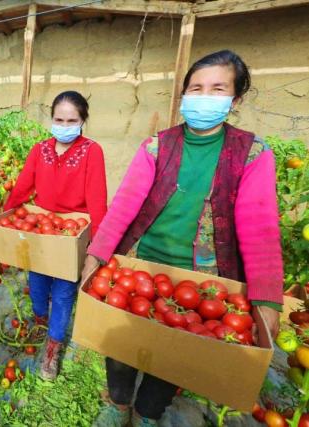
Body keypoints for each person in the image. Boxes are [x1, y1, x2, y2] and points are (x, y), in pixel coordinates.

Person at [83, 50, 283, 427]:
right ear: (183, 94)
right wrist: (96, 254)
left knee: (176, 353)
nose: (204, 96)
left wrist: (267, 299)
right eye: (196, 88)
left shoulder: (252, 153)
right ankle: (118, 402)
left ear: (235, 99)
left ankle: (147, 413)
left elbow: (260, 228)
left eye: (217, 89)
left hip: (203, 278)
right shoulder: (156, 146)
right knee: (122, 344)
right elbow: (124, 205)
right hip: (142, 267)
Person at [4, 90, 108, 380]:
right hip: (41, 230)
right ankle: (41, 319)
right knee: (37, 285)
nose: (64, 126)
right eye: (59, 119)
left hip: (71, 234)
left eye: (71, 120)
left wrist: (96, 248)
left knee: (62, 292)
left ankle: (53, 345)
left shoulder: (91, 151)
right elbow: (23, 186)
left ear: (83, 121)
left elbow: (97, 200)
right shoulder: (40, 149)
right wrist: (3, 222)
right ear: (51, 119)